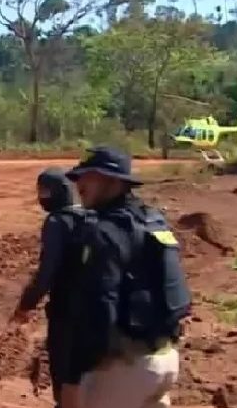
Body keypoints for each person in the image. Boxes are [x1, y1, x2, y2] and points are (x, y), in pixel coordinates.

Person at [62, 147, 191, 408]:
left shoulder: (105, 232)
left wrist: (74, 373)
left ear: (112, 181)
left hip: (124, 368)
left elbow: (100, 307)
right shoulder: (152, 221)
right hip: (165, 359)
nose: (79, 184)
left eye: (87, 177)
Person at [11, 168, 86, 408]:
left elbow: (46, 272)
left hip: (66, 312)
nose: (40, 197)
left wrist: (26, 305)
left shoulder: (57, 222)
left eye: (43, 191)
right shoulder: (90, 216)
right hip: (96, 311)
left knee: (65, 377)